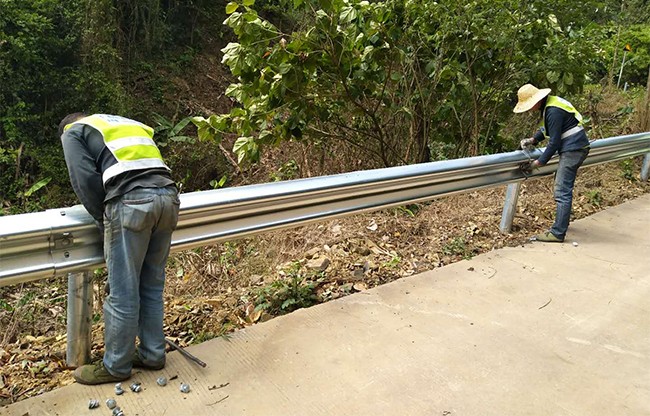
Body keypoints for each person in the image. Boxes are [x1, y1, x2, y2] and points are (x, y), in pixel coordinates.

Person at [59, 113, 180, 384]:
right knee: (151, 285)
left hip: (131, 202)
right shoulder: (125, 123)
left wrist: (106, 221)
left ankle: (115, 365)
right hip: (169, 198)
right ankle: (152, 354)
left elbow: (84, 179)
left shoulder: (72, 131)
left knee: (122, 292)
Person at [513, 84, 590, 243]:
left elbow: (554, 142)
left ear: (535, 101)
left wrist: (537, 163)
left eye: (528, 106)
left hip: (573, 149)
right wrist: (533, 140)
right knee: (563, 187)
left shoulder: (552, 111)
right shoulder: (551, 105)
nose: (528, 110)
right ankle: (563, 222)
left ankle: (558, 232)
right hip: (576, 147)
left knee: (562, 190)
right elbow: (548, 129)